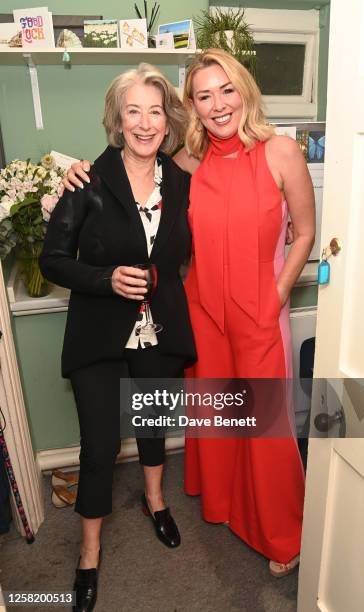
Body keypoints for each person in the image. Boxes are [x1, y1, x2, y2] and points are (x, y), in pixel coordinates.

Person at [63, 49, 315, 577]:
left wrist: (277, 296)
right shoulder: (186, 164)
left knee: (264, 425)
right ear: (193, 107)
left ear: (244, 90)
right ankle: (221, 507)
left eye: (226, 90)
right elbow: (130, 176)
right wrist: (74, 175)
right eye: (204, 95)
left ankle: (280, 534)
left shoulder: (283, 152)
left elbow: (306, 234)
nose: (218, 104)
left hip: (258, 310)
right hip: (203, 312)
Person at [40, 63, 196, 612]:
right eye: (134, 111)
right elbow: (51, 259)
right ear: (117, 119)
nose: (145, 122)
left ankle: (156, 501)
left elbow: (177, 256)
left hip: (159, 326)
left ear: (168, 120)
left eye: (156, 110)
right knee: (102, 444)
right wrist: (105, 279)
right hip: (98, 330)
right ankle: (88, 555)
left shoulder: (180, 182)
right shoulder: (88, 180)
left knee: (154, 424)